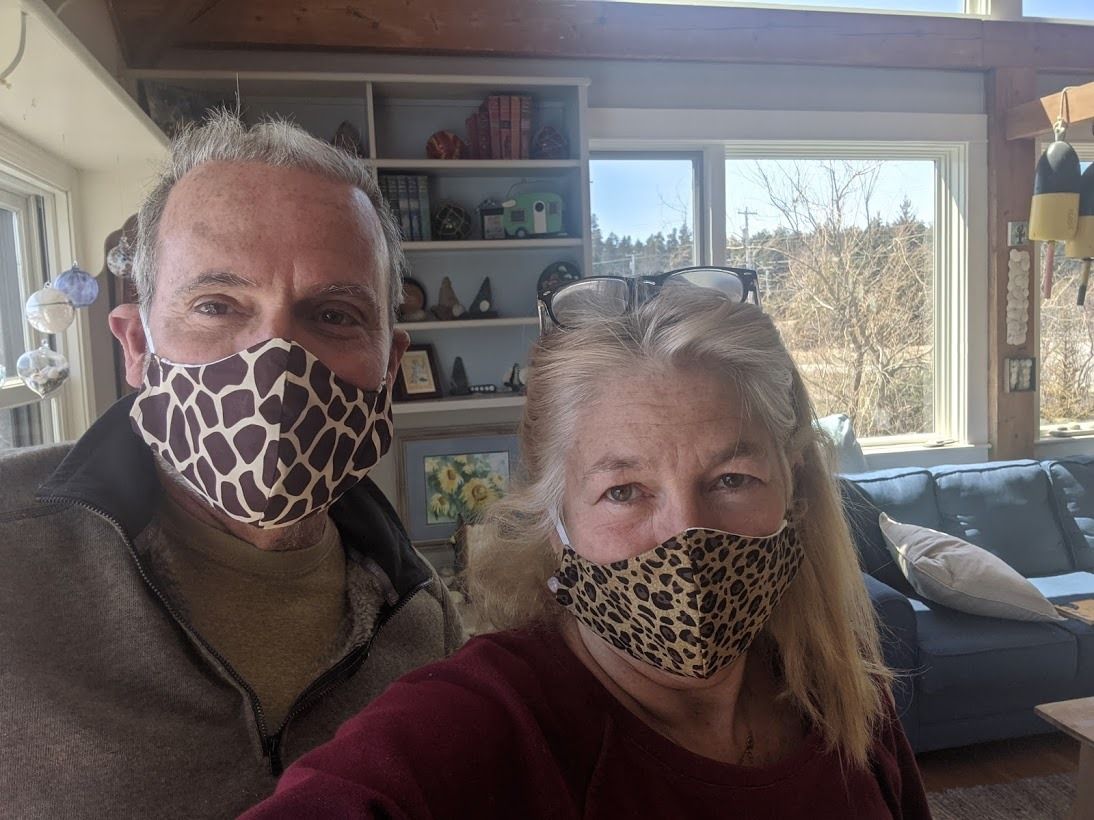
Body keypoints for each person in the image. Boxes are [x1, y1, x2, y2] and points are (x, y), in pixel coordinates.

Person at [242, 268, 932, 819]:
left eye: (731, 479)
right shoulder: (480, 726)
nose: (685, 537)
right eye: (624, 491)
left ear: (795, 488)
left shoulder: (844, 695)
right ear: (555, 518)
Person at [0, 112, 463, 818]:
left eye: (334, 315)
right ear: (136, 347)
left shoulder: (423, 617)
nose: (275, 365)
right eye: (216, 306)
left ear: (389, 365)